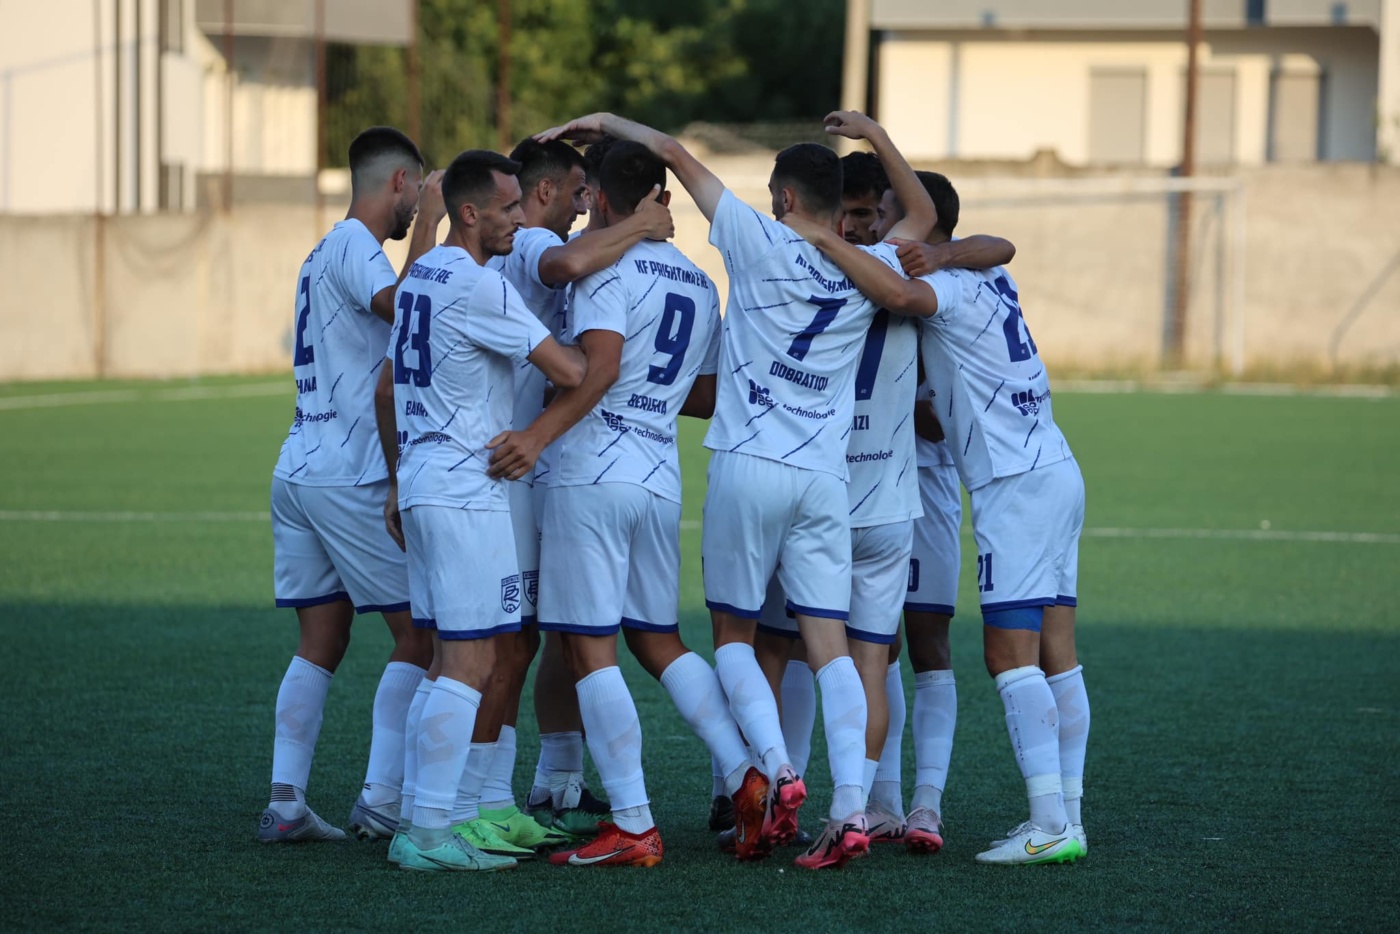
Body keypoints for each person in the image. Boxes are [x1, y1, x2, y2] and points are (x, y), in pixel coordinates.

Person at [537, 109, 937, 869]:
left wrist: (607, 120)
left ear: (782, 198)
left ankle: (776, 772)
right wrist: (876, 137)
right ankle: (850, 810)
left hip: (747, 465)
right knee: (832, 649)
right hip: (826, 480)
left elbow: (674, 151)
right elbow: (917, 224)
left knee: (732, 638)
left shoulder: (755, 238)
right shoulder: (865, 264)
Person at [780, 170, 1090, 866]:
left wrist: (818, 237)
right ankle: (1068, 815)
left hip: (1010, 485)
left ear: (919, 223)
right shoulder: (985, 273)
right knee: (1058, 654)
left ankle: (1049, 823)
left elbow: (898, 293)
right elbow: (999, 244)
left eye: (886, 212)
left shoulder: (942, 284)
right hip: (1054, 468)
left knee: (1008, 656)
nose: (879, 225)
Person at [494, 140, 764, 867]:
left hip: (590, 472)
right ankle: (746, 772)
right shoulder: (699, 282)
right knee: (659, 640)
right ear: (660, 198)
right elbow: (703, 395)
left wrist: (538, 432)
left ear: (601, 198)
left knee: (588, 647)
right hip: (659, 477)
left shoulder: (602, 264)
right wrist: (653, 393)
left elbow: (601, 368)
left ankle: (635, 824)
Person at [375, 149, 587, 872]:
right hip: (467, 486)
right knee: (471, 661)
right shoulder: (479, 284)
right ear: (470, 213)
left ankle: (429, 815)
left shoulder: (422, 272)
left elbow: (388, 386)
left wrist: (398, 481)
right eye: (509, 208)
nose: (521, 219)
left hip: (428, 478)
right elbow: (569, 370)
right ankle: (427, 833)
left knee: (448, 660)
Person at [479, 136, 675, 846]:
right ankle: (472, 798)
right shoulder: (536, 242)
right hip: (512, 460)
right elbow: (566, 269)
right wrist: (642, 223)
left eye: (591, 191)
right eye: (574, 191)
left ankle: (551, 780)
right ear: (544, 194)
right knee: (502, 642)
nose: (583, 203)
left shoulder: (539, 246)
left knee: (549, 631)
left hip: (535, 460)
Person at [260, 126, 441, 844]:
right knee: (421, 635)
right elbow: (408, 306)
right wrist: (431, 226)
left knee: (322, 638)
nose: (417, 204)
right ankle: (382, 799)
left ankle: (286, 803)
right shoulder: (355, 245)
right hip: (349, 471)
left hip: (301, 466)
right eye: (417, 189)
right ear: (399, 181)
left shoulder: (321, 251)